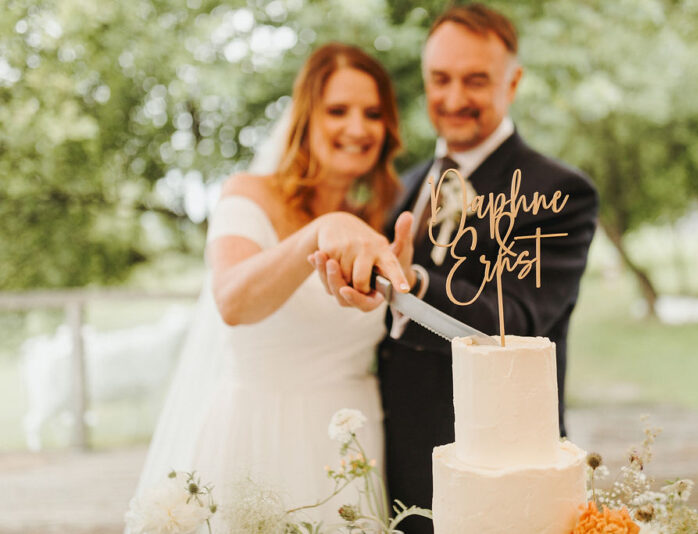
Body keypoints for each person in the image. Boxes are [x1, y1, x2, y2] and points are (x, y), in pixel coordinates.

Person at [312, 5, 598, 534]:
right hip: (395, 462)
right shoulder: (400, 188)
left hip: (502, 475)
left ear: (512, 83)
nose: (454, 98)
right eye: (440, 79)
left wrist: (414, 283)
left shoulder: (558, 191)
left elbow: (519, 319)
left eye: (476, 80)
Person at [131, 42, 414, 528]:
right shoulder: (248, 195)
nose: (357, 127)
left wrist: (402, 288)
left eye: (372, 113)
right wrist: (320, 229)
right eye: (337, 110)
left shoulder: (376, 228)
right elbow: (233, 300)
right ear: (305, 117)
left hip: (351, 445)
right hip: (258, 437)